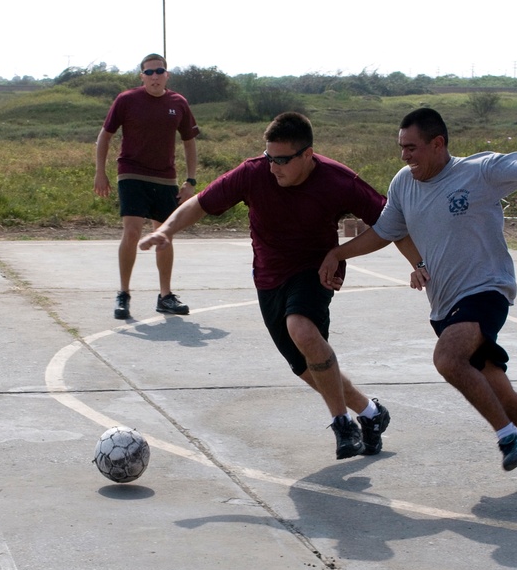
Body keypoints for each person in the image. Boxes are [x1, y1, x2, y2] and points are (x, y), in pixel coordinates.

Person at [319, 107, 517, 483]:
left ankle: (509, 439)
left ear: (438, 144)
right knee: (502, 397)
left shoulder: (478, 171)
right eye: (402, 147)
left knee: (448, 358)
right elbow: (384, 231)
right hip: (445, 304)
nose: (405, 156)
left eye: (412, 147)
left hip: (487, 289)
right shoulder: (404, 183)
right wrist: (338, 252)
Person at [139, 112, 423, 460]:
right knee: (306, 366)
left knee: (302, 330)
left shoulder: (338, 180)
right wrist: (166, 230)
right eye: (269, 157)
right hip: (268, 279)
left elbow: (389, 222)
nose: (274, 166)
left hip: (314, 271)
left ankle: (341, 424)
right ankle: (370, 413)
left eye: (283, 160)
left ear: (308, 155)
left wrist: (418, 264)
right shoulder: (253, 172)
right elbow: (200, 203)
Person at [95, 53, 200, 320]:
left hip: (165, 178)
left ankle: (165, 296)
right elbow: (105, 135)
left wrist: (190, 180)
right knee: (132, 232)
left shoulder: (178, 103)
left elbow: (189, 142)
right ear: (142, 76)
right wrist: (100, 172)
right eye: (149, 72)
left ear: (167, 75)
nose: (155, 76)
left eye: (159, 71)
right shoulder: (127, 99)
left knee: (163, 235)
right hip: (131, 173)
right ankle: (124, 294)